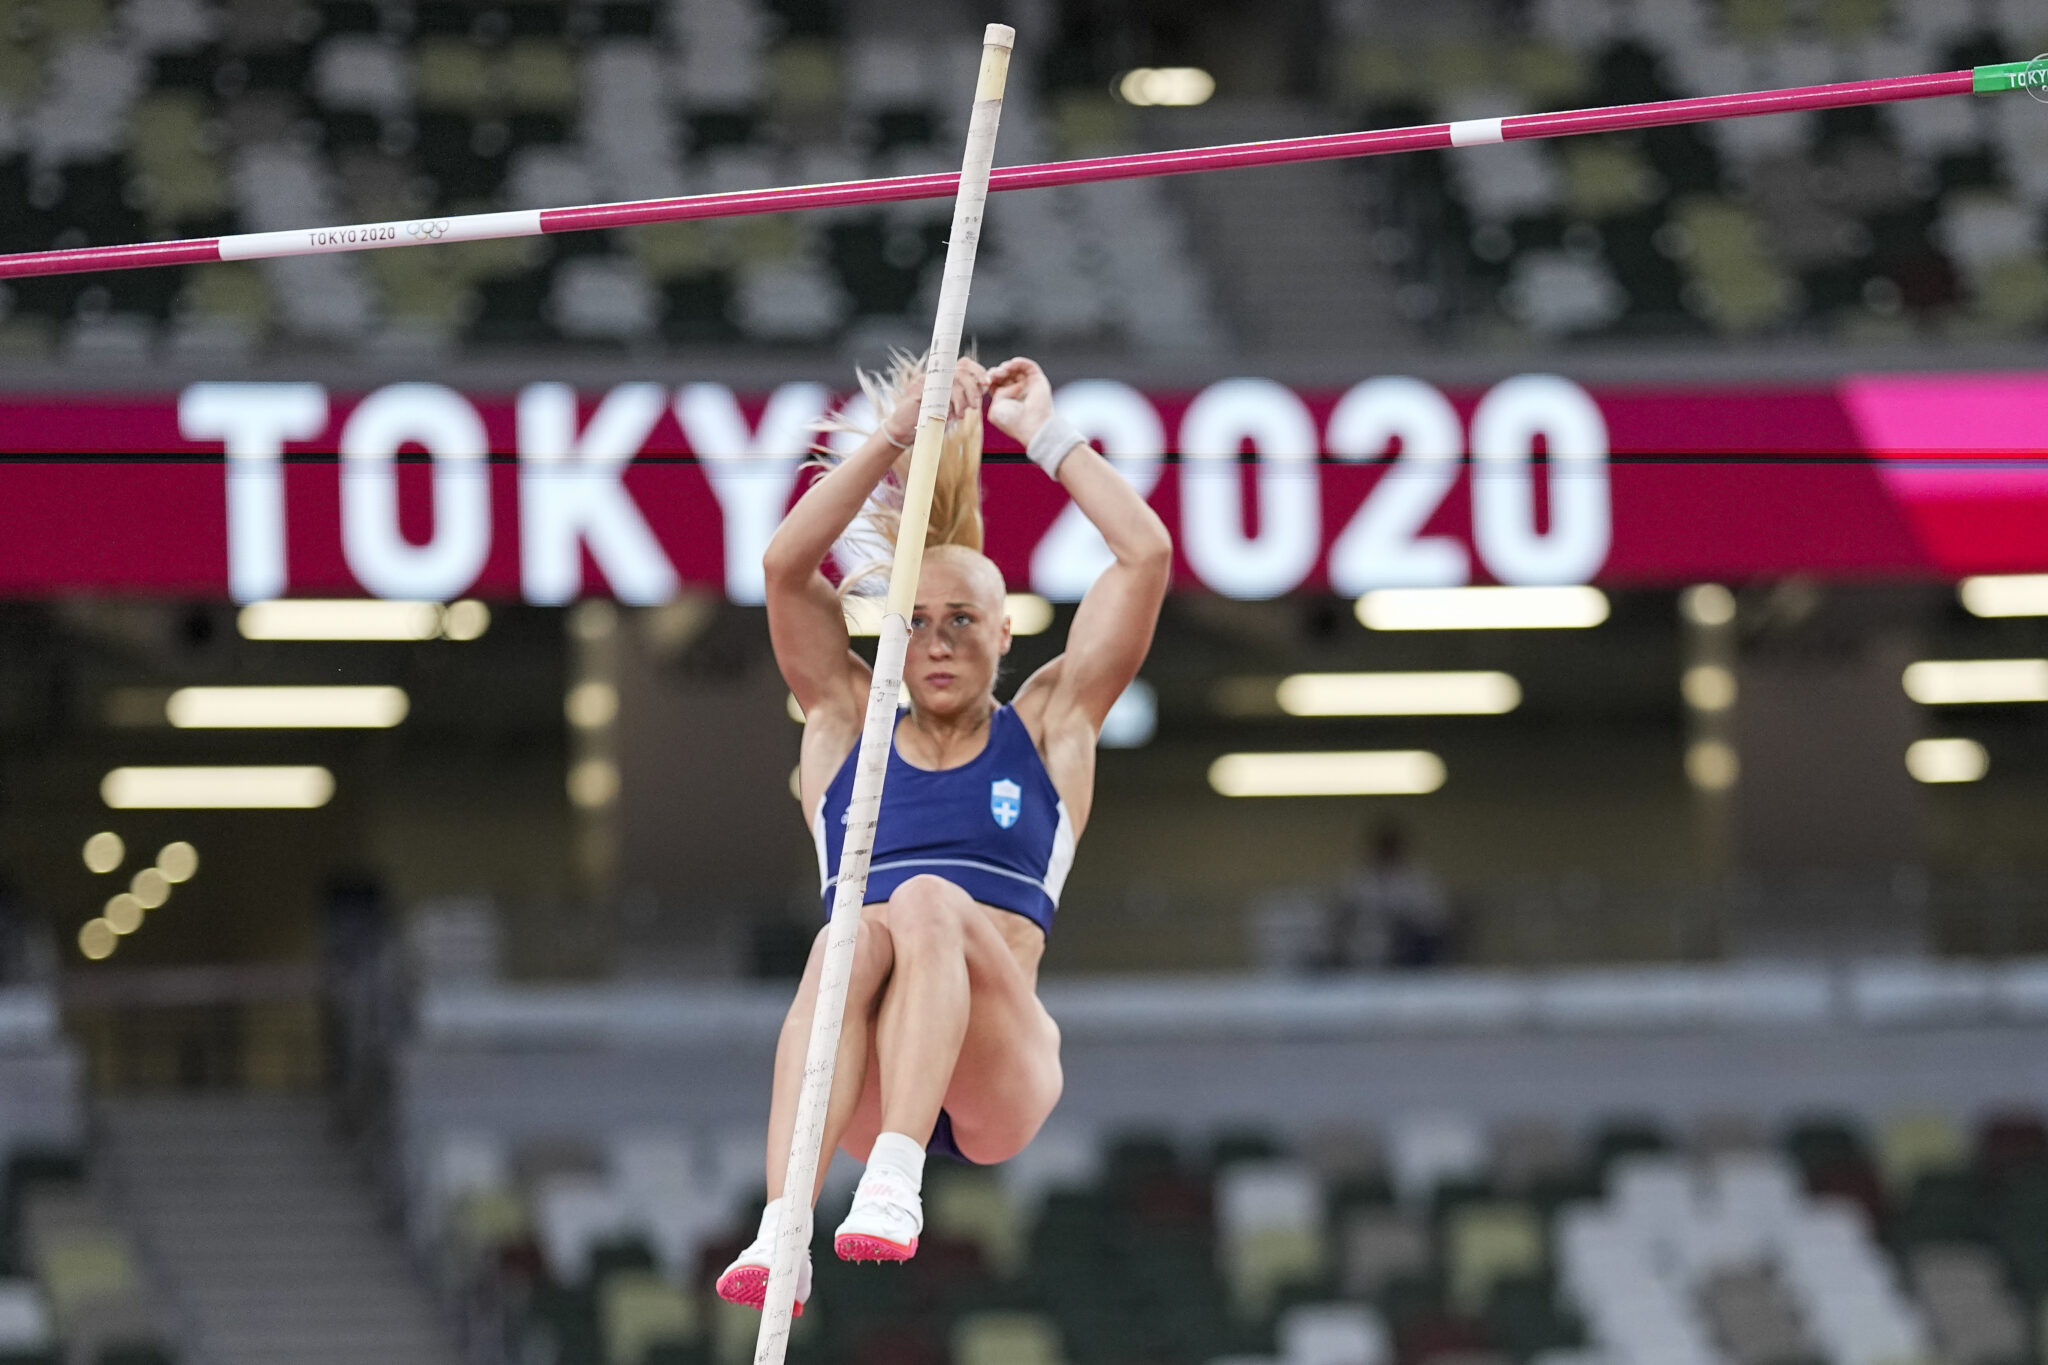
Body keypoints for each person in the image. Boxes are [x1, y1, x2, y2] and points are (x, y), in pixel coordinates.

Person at [715, 354, 1172, 1316]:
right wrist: (894, 431)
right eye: (913, 622)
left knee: (923, 899)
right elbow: (784, 569)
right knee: (845, 936)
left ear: (1008, 632)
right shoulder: (845, 726)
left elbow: (1144, 557)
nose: (936, 642)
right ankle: (786, 1223)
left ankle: (894, 1177)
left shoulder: (1051, 728)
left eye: (963, 619)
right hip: (875, 1073)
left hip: (999, 1072)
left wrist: (1044, 438)